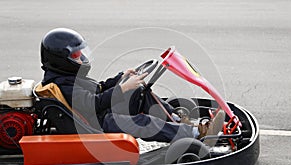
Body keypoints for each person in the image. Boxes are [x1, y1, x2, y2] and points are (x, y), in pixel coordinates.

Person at [40, 28, 224, 143]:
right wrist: (122, 89)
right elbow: (93, 104)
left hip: (100, 115)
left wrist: (121, 77)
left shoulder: (66, 76)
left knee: (141, 93)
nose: (81, 58)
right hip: (99, 125)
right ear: (60, 59)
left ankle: (178, 121)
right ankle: (197, 134)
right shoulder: (63, 84)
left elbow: (99, 89)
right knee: (144, 122)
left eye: (81, 53)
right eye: (75, 56)